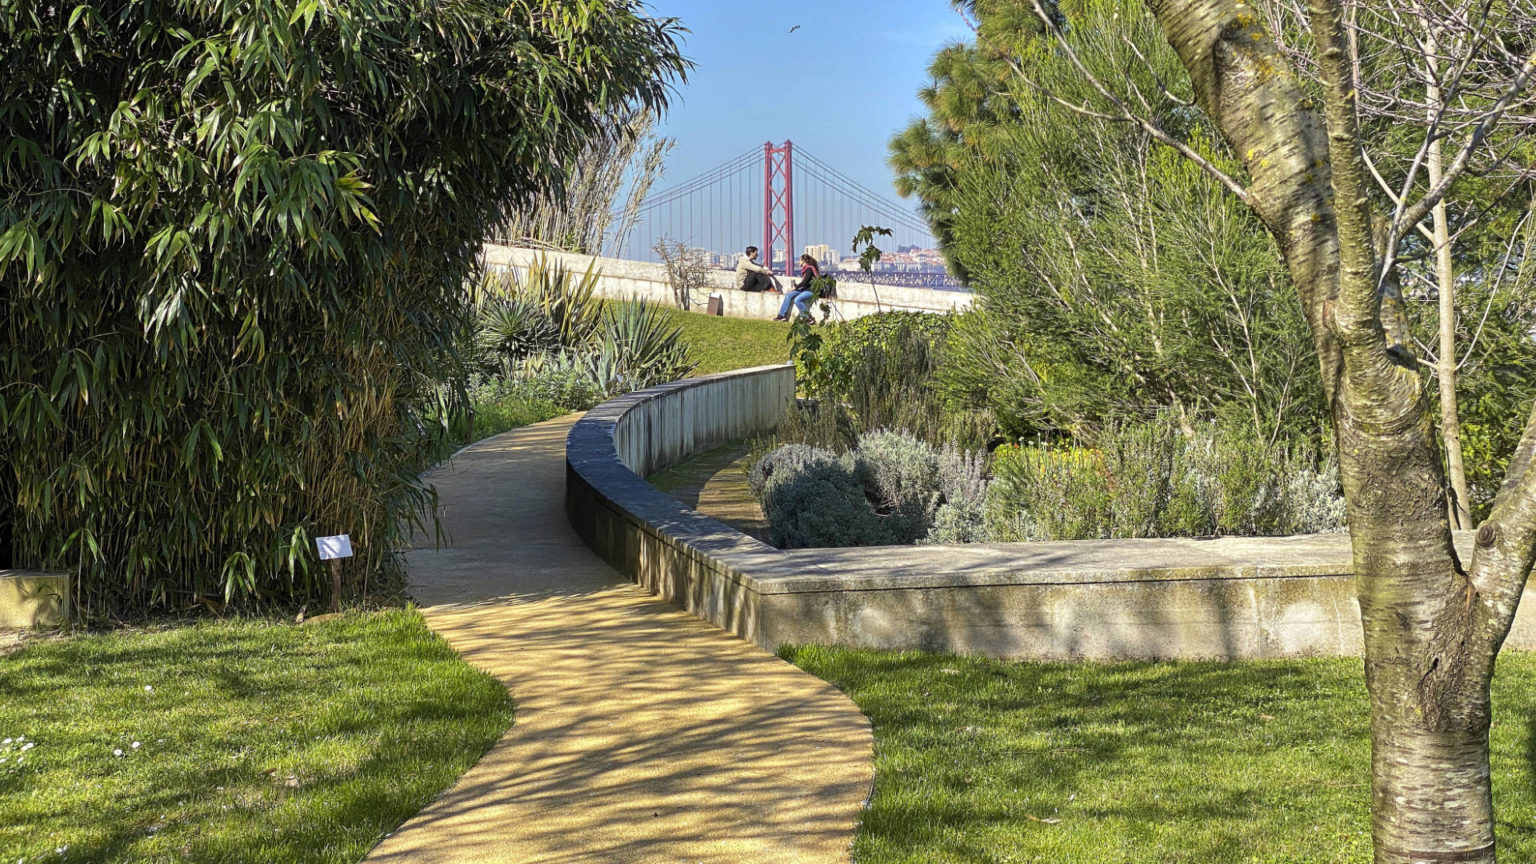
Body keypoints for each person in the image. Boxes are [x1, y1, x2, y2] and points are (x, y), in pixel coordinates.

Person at [774, 254, 821, 321]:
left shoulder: (809, 269)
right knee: (788, 295)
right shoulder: (806, 269)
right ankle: (782, 315)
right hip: (804, 289)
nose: (798, 262)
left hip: (811, 291)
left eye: (799, 260)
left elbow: (804, 282)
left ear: (803, 261)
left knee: (797, 300)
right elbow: (804, 284)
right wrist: (796, 288)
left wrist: (794, 288)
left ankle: (809, 318)